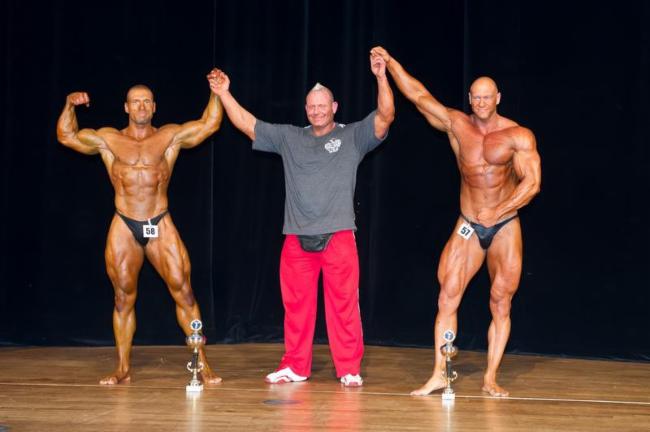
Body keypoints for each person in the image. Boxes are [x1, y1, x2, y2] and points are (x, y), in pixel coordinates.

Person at [207, 52, 394, 387]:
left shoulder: (353, 136)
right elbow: (248, 125)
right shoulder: (290, 137)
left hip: (338, 235)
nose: (317, 111)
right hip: (296, 237)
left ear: (334, 107)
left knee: (343, 306)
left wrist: (381, 76)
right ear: (306, 109)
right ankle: (295, 365)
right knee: (296, 306)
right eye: (311, 106)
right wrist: (224, 94)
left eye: (322, 106)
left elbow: (386, 116)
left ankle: (349, 368)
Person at [371, 46, 541, 397]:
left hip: (505, 225)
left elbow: (533, 184)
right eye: (475, 97)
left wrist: (499, 210)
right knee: (447, 295)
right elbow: (418, 96)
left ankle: (490, 377)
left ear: (498, 98)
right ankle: (440, 373)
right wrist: (390, 65)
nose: (480, 102)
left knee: (501, 301)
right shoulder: (457, 124)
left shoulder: (518, 136)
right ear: (470, 98)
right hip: (468, 222)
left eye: (486, 97)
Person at [56, 70, 224, 385]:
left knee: (185, 293)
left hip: (159, 220)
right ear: (126, 107)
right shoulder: (109, 139)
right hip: (124, 222)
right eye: (136, 102)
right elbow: (67, 136)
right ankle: (122, 367)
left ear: (154, 107)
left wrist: (217, 92)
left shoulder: (169, 136)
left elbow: (209, 124)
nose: (142, 106)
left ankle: (201, 363)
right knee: (122, 298)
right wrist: (69, 104)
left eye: (147, 101)